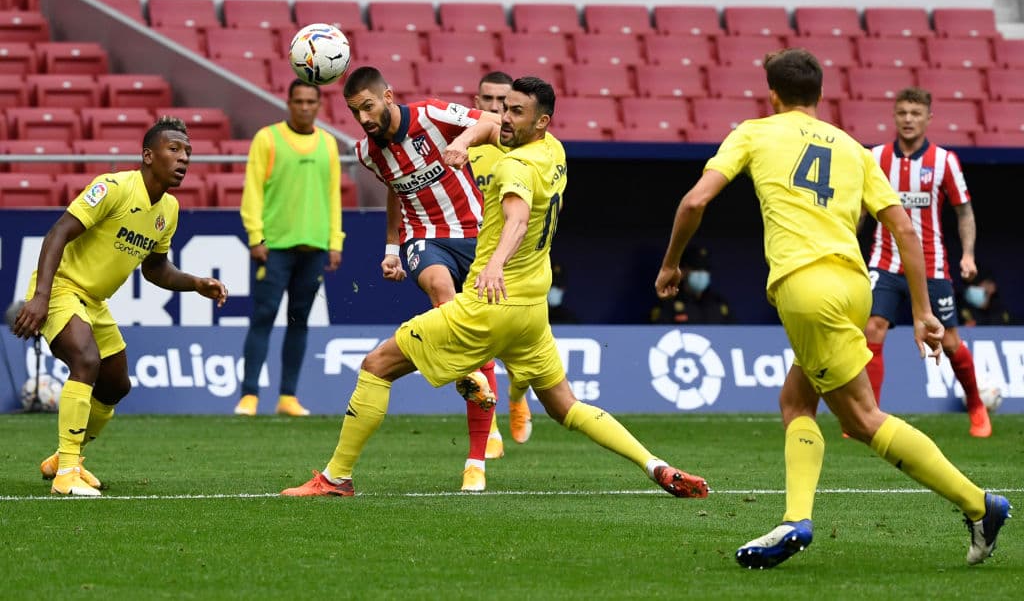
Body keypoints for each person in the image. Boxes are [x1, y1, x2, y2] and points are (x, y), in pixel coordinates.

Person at [655, 49, 1009, 569]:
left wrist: (670, 265)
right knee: (795, 400)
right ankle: (796, 516)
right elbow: (905, 231)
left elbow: (694, 202)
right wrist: (922, 309)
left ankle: (978, 505)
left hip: (807, 289)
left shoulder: (755, 131)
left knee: (863, 419)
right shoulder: (853, 148)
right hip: (854, 284)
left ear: (772, 94)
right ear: (819, 95)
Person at [282, 76, 708, 501]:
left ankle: (337, 478)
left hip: (491, 305)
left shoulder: (513, 166)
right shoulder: (554, 152)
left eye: (516, 111)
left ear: (540, 122)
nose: (504, 118)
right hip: (531, 312)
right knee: (566, 406)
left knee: (377, 366)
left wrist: (495, 265)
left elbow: (518, 218)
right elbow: (492, 146)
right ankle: (656, 465)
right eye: (505, 107)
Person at [10, 116, 228, 496]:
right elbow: (58, 232)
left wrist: (195, 284)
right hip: (61, 287)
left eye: (187, 152)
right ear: (148, 155)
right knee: (86, 361)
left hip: (93, 300)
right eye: (173, 149)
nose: (183, 158)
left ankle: (67, 458)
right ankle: (66, 475)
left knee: (116, 385)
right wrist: (41, 296)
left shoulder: (169, 210)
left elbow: (155, 269)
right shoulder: (112, 188)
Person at [341, 65, 503, 491]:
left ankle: (476, 463)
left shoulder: (432, 115)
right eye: (355, 112)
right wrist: (393, 249)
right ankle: (467, 375)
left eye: (368, 108)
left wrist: (463, 143)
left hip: (476, 234)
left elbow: (493, 122)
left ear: (389, 96)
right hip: (424, 237)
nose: (364, 120)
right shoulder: (366, 153)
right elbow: (395, 189)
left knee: (481, 338)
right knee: (440, 289)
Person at [863, 87, 990, 438]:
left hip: (932, 266)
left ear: (928, 118)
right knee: (872, 328)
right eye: (902, 112)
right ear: (894, 115)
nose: (908, 119)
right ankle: (869, 417)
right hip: (885, 261)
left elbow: (964, 212)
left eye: (915, 113)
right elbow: (858, 209)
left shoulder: (944, 161)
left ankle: (977, 406)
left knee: (948, 341)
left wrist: (967, 254)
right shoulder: (875, 158)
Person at [235, 79, 344, 417]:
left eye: (311, 101)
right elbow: (252, 189)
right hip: (275, 247)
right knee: (263, 317)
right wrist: (256, 236)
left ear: (319, 105)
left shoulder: (328, 143)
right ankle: (250, 395)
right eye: (299, 101)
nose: (305, 107)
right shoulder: (267, 139)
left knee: (300, 321)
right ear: (289, 103)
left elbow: (333, 196)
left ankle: (287, 397)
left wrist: (335, 241)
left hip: (313, 247)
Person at [471, 70, 535, 448]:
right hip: (476, 254)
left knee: (517, 347)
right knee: (478, 343)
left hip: (518, 257)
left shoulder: (523, 148)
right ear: (476, 102)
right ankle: (489, 427)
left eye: (503, 101)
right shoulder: (466, 144)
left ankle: (517, 395)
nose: (495, 108)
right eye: (488, 100)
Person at [650, 245, 733, 324]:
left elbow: (735, 334)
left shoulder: (719, 304)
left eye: (705, 269)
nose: (701, 273)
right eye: (696, 269)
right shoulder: (668, 304)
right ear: (682, 271)